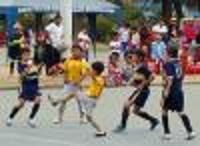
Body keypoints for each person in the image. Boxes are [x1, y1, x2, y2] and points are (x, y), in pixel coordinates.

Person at [114, 49, 159, 133]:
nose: (132, 57)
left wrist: (142, 85)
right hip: (141, 91)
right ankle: (154, 120)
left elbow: (152, 76)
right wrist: (131, 82)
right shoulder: (137, 65)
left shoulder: (142, 67)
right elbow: (136, 76)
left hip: (142, 91)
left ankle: (122, 125)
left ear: (140, 57)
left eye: (134, 55)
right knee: (135, 111)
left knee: (126, 105)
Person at [48, 44, 89, 124]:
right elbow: (65, 70)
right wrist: (65, 78)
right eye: (73, 51)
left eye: (77, 51)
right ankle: (59, 117)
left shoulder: (83, 62)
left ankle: (83, 117)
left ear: (81, 52)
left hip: (77, 85)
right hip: (68, 84)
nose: (75, 52)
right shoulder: (68, 60)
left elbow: (84, 74)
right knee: (64, 101)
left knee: (80, 101)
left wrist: (79, 81)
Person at [161, 48, 196, 140]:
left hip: (171, 90)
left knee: (164, 110)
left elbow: (170, 79)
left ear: (169, 54)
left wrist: (166, 92)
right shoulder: (179, 63)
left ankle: (167, 133)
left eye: (165, 53)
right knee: (180, 111)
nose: (164, 54)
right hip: (179, 90)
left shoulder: (168, 64)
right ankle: (190, 131)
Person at [6, 59, 41, 128]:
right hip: (25, 88)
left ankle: (31, 119)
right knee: (20, 104)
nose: (30, 65)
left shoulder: (35, 70)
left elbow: (37, 77)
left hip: (34, 89)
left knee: (38, 100)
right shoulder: (23, 69)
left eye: (32, 64)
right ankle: (10, 118)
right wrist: (27, 70)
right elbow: (20, 78)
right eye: (29, 64)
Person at [81, 61, 106, 137]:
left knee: (89, 117)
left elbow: (95, 79)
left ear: (95, 71)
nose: (91, 71)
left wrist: (90, 74)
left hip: (92, 100)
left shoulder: (100, 79)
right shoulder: (96, 78)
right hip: (87, 97)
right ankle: (56, 101)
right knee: (74, 92)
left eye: (92, 69)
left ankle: (100, 131)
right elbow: (91, 77)